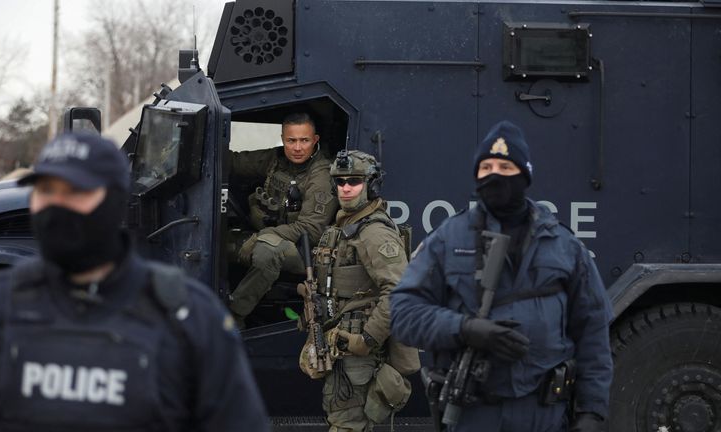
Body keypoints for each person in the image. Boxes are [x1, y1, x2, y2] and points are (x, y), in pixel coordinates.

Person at [0, 132, 269, 431]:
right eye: (45, 190)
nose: (56, 206)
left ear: (115, 202)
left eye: (76, 192)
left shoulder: (190, 319)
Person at [390, 121, 613, 432]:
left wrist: (592, 411)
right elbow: (402, 315)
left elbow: (593, 332)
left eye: (506, 166)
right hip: (475, 414)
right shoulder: (449, 238)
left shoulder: (563, 245)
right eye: (487, 166)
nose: (495, 174)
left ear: (524, 174)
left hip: (544, 413)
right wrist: (465, 329)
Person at [303, 150, 418, 431]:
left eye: (354, 181)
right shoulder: (343, 228)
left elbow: (400, 291)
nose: (345, 188)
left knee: (347, 425)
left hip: (360, 355)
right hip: (341, 346)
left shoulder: (373, 233)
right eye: (340, 182)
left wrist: (367, 338)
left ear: (371, 185)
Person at [228, 112, 338, 328]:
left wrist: (263, 236)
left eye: (304, 140)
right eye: (291, 140)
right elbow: (234, 162)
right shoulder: (276, 161)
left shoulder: (321, 175)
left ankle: (233, 317)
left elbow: (311, 231)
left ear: (315, 140)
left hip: (307, 252)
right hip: (275, 236)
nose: (297, 148)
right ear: (283, 138)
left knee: (268, 252)